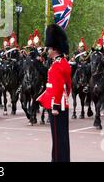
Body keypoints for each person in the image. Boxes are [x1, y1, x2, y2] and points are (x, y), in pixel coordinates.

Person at [37, 24, 71, 162]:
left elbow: (57, 87)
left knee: (57, 137)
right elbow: (68, 86)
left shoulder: (57, 65)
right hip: (62, 102)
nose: (48, 51)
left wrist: (56, 105)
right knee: (62, 136)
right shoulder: (63, 62)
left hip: (56, 105)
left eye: (49, 48)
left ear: (54, 49)